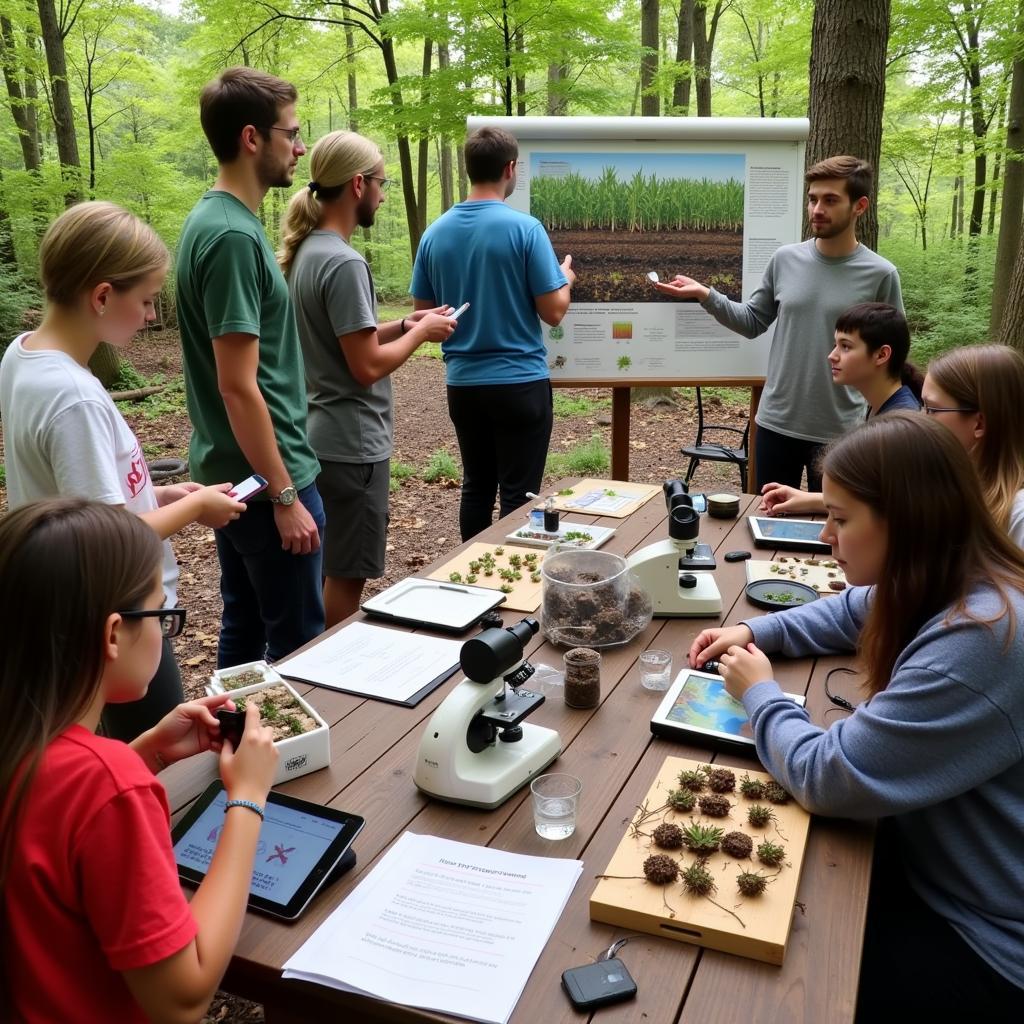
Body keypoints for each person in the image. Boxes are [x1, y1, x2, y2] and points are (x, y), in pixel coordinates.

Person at [688, 412, 1024, 1016]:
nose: (826, 538)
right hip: (928, 860)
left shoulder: (981, 638)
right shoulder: (949, 574)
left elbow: (828, 775)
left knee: (759, 985)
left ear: (908, 522)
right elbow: (850, 612)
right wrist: (752, 628)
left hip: (982, 939)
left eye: (841, 521)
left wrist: (759, 692)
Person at [0, 498, 279, 1023]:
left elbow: (50, 814)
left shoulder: (22, 743)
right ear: (112, 634)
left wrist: (144, 752)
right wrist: (247, 799)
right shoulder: (108, 787)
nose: (164, 628)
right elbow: (183, 997)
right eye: (161, 611)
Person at [0, 201, 245, 741]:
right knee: (156, 755)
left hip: (71, 608)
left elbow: (77, 496)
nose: (152, 315)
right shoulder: (73, 397)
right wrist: (196, 507)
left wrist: (159, 493)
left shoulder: (22, 357)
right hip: (119, 619)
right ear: (103, 296)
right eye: (147, 299)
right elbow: (106, 538)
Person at [176, 67, 326, 668]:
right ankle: (288, 759)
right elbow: (238, 387)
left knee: (243, 630)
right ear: (251, 138)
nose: (301, 145)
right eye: (292, 132)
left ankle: (231, 752)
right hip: (268, 482)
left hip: (238, 476)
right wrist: (285, 493)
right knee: (297, 646)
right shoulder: (234, 237)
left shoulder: (213, 221)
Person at [279, 130, 457, 625]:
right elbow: (366, 365)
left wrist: (406, 324)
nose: (383, 192)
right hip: (353, 444)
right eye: (381, 181)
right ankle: (325, 681)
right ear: (358, 185)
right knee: (346, 575)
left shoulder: (307, 254)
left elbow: (349, 338)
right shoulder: (344, 261)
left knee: (325, 570)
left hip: (319, 436)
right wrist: (423, 336)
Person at [653, 156, 903, 492]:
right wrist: (705, 294)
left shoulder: (880, 274)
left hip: (842, 431)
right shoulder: (785, 259)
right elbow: (753, 321)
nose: (817, 209)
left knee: (829, 533)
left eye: (830, 200)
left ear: (859, 206)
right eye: (813, 199)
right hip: (775, 423)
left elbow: (892, 357)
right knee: (764, 519)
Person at [410, 125, 576, 541]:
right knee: (520, 496)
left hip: (463, 385)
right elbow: (554, 311)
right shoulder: (525, 229)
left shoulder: (434, 233)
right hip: (520, 384)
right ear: (510, 168)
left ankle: (473, 588)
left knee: (476, 486)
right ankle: (513, 586)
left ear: (469, 169)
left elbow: (422, 317)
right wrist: (565, 278)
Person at [759, 302, 921, 517]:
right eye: (836, 345)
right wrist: (806, 499)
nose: (832, 355)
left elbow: (893, 509)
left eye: (845, 346)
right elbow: (875, 498)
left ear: (882, 355)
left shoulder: (900, 426)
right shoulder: (881, 407)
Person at [923, 344, 1024, 547]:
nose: (921, 419)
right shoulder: (949, 490)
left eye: (931, 410)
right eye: (922, 406)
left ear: (979, 424)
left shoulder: (1019, 516)